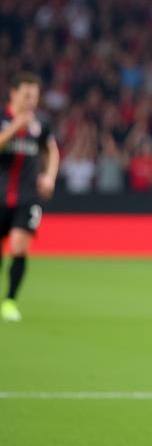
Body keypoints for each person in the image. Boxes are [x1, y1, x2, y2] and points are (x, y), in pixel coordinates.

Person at [0, 72, 59, 323]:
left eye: (34, 97)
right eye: (26, 95)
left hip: (27, 196)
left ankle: (10, 300)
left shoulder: (42, 124)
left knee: (19, 245)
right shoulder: (3, 119)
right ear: (13, 94)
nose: (31, 102)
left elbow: (53, 151)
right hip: (1, 194)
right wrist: (16, 126)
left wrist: (49, 176)